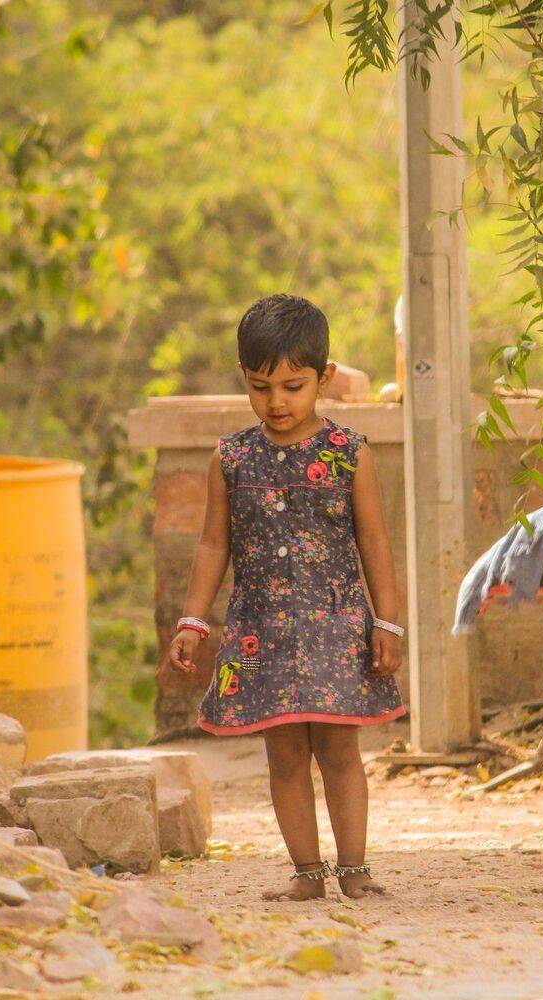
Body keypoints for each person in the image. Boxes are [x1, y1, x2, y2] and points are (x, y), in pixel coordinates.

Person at [166, 293, 406, 901]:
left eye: (293, 387)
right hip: (262, 634)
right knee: (284, 756)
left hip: (338, 630)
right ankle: (307, 873)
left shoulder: (350, 454)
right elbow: (213, 545)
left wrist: (389, 623)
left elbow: (375, 541)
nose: (277, 402)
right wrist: (193, 620)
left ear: (324, 378)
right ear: (244, 380)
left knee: (340, 749)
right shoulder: (231, 459)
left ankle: (354, 870)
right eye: (260, 387)